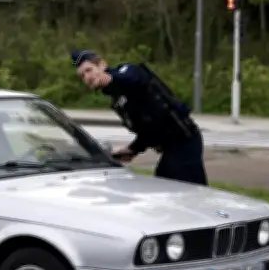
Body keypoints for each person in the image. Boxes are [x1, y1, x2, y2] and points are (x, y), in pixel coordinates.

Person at [71, 49, 208, 185]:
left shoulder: (126, 71)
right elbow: (150, 127)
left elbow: (136, 79)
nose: (87, 77)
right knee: (169, 188)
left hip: (184, 141)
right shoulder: (118, 98)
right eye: (82, 76)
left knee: (181, 191)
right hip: (171, 148)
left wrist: (112, 79)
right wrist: (133, 149)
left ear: (102, 65)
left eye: (89, 70)